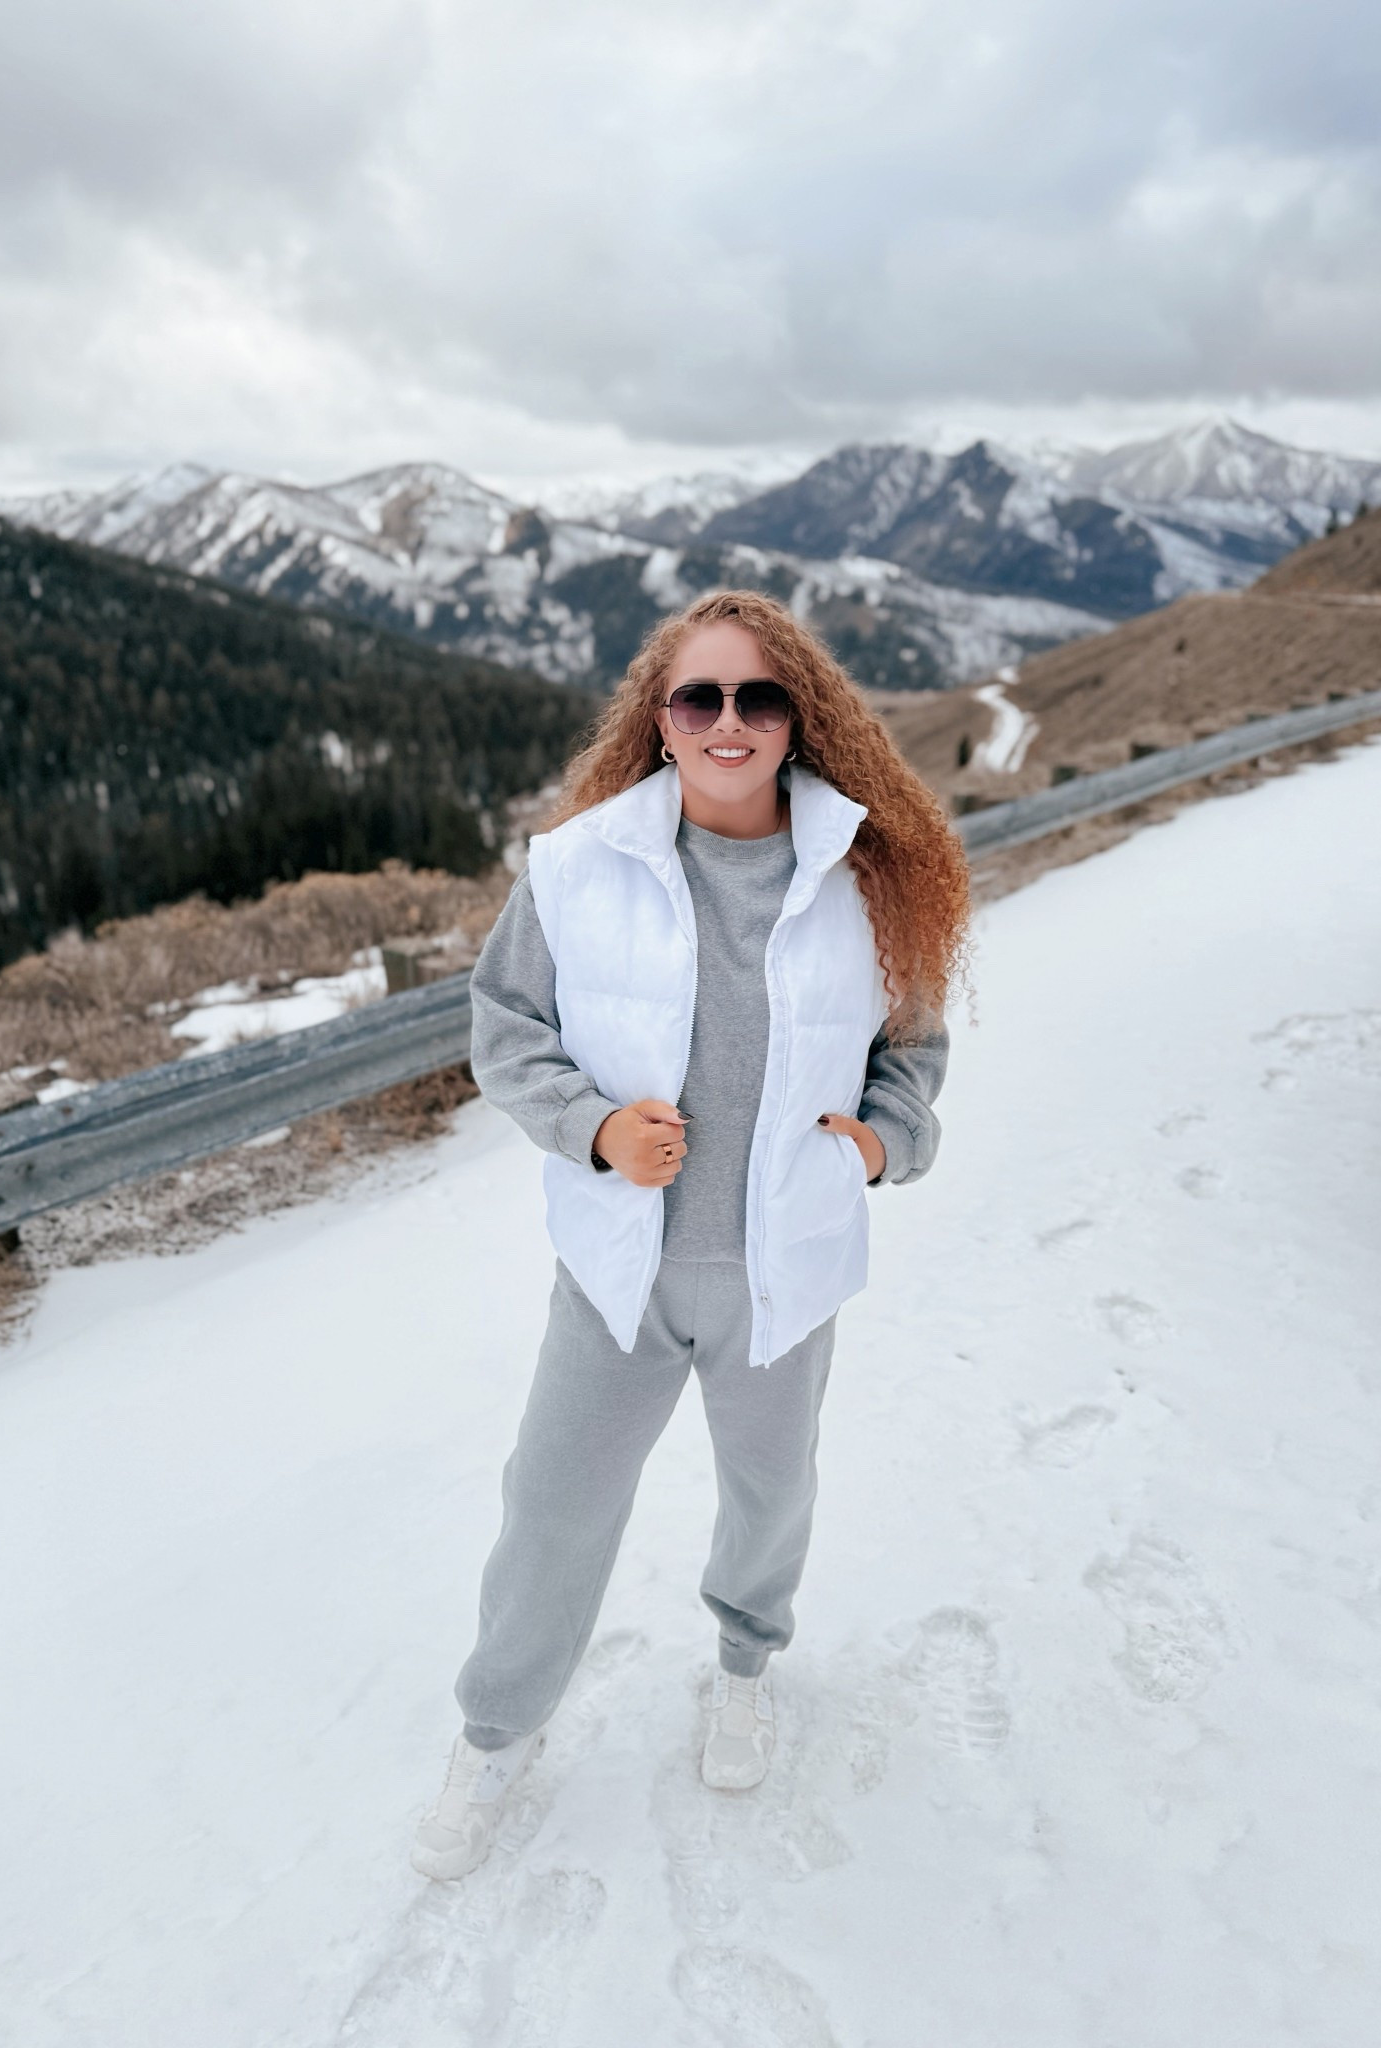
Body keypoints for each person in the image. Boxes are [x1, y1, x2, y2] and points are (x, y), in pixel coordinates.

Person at [412, 589, 971, 1881]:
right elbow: (506, 1030)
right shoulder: (575, 866)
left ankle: (742, 1667)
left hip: (786, 1268)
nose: (730, 721)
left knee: (769, 1498)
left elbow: (913, 1051)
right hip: (618, 1273)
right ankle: (496, 1733)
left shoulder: (868, 871)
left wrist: (885, 1146)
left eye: (759, 698)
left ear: (799, 720)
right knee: (552, 1503)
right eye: (700, 698)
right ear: (659, 721)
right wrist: (595, 1128)